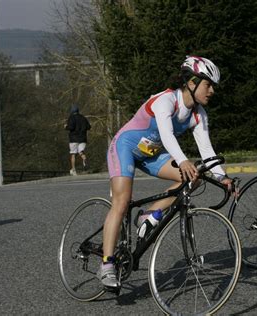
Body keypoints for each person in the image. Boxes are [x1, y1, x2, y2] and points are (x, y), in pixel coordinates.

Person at [98, 56, 233, 288]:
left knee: (193, 178)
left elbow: (206, 148)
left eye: (213, 87)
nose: (212, 91)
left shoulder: (199, 114)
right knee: (121, 203)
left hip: (151, 153)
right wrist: (182, 160)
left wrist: (223, 177)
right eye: (208, 85)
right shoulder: (166, 100)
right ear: (191, 82)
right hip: (126, 147)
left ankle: (148, 214)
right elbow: (167, 134)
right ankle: (107, 264)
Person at [65, 104, 91, 176]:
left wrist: (66, 127)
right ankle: (84, 159)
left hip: (73, 139)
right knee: (81, 151)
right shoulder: (83, 118)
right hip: (83, 138)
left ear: (72, 111)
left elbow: (71, 127)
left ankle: (73, 170)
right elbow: (89, 127)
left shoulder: (71, 118)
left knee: (73, 154)